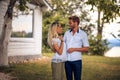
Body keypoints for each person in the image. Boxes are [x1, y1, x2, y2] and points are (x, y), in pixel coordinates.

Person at [64, 16, 89, 80]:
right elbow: (63, 44)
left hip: (77, 61)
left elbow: (86, 48)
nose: (69, 24)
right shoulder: (66, 33)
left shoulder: (83, 34)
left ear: (76, 23)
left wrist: (74, 49)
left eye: (70, 23)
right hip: (67, 61)